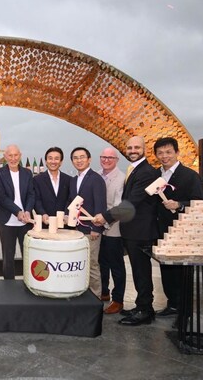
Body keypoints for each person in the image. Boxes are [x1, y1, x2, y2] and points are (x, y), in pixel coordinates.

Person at [93, 136, 159, 326]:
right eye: (130, 147)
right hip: (133, 230)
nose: (132, 150)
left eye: (137, 147)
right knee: (138, 271)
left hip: (140, 230)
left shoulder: (146, 172)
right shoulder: (135, 169)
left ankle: (145, 310)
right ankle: (141, 306)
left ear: (144, 149)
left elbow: (131, 202)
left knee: (141, 271)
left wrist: (106, 217)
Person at [153, 137, 203, 320]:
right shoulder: (155, 176)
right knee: (166, 269)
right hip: (161, 230)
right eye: (160, 153)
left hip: (182, 232)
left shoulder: (189, 175)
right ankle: (172, 304)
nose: (164, 156)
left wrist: (179, 204)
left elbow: (199, 202)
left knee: (182, 272)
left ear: (177, 152)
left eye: (168, 152)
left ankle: (185, 311)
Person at [67, 147, 106, 298]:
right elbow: (71, 202)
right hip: (76, 230)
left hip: (91, 230)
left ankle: (96, 298)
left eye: (82, 157)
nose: (79, 160)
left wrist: (96, 227)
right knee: (79, 264)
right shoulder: (73, 180)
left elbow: (100, 204)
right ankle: (82, 295)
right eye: (75, 158)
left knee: (92, 264)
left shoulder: (96, 179)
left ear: (89, 159)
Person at [0, 144, 35, 279]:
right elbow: (2, 197)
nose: (13, 158)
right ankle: (8, 285)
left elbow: (31, 194)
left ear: (20, 155)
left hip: (26, 221)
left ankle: (29, 282)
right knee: (8, 257)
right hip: (6, 221)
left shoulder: (27, 173)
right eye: (10, 155)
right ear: (5, 157)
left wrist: (27, 211)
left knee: (28, 255)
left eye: (15, 155)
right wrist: (18, 212)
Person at [97, 147, 126, 314]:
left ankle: (118, 299)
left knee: (116, 265)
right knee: (101, 262)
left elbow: (119, 206)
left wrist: (105, 222)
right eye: (103, 157)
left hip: (114, 227)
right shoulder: (97, 175)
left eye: (110, 158)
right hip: (98, 226)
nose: (106, 160)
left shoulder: (122, 178)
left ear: (117, 160)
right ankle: (104, 291)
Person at [33, 147, 71, 226]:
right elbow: (37, 200)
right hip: (45, 223)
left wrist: (66, 214)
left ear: (61, 162)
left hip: (64, 224)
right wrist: (43, 213)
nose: (53, 161)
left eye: (56, 159)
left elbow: (70, 200)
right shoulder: (37, 180)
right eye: (50, 158)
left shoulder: (69, 180)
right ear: (46, 161)